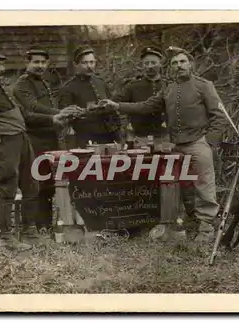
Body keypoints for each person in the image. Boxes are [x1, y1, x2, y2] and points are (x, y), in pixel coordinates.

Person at [98, 46, 229, 241]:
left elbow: (219, 115)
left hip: (198, 143)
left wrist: (209, 142)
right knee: (179, 186)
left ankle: (207, 227)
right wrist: (118, 106)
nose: (179, 66)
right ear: (170, 68)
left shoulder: (204, 85)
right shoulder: (167, 88)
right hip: (175, 146)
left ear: (191, 64)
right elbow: (145, 106)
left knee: (204, 184)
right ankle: (184, 223)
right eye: (175, 63)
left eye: (183, 62)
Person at [0, 49, 66, 250]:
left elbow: (25, 115)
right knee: (7, 188)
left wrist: (52, 119)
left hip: (23, 142)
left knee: (31, 186)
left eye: (2, 65)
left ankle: (29, 233)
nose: (1, 69)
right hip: (6, 145)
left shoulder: (4, 89)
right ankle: (6, 239)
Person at [12, 45, 82, 236]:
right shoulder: (22, 84)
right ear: (27, 63)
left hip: (50, 139)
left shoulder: (43, 81)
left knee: (50, 184)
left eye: (43, 62)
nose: (40, 66)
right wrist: (59, 114)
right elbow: (32, 107)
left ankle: (47, 226)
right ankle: (37, 228)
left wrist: (65, 114)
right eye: (36, 62)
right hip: (34, 140)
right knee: (37, 184)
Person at [57, 45, 122, 148]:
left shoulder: (100, 82)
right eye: (84, 63)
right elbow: (66, 116)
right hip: (85, 139)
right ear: (75, 64)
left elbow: (112, 108)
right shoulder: (68, 88)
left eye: (92, 62)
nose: (89, 66)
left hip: (109, 136)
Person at [112, 46, 169, 148]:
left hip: (164, 137)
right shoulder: (133, 86)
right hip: (140, 138)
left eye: (153, 62)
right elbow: (115, 104)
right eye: (146, 63)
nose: (150, 66)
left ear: (160, 64)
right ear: (141, 65)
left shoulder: (168, 85)